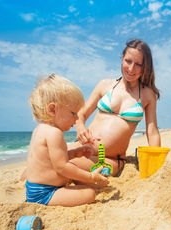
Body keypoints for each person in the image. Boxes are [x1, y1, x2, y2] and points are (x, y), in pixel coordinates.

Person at [70, 39, 161, 175]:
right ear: (122, 59)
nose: (131, 69)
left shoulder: (148, 95)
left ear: (145, 67)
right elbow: (80, 115)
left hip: (109, 159)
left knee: (64, 165)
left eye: (138, 64)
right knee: (35, 168)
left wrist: (156, 162)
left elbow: (152, 130)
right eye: (128, 61)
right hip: (82, 148)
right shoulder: (104, 85)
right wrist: (81, 128)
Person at [25, 73, 109, 207]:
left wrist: (75, 153)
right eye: (73, 113)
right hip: (44, 194)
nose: (77, 119)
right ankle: (93, 179)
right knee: (89, 194)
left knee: (75, 170)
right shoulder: (54, 133)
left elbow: (52, 160)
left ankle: (90, 180)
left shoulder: (41, 129)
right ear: (52, 109)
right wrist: (91, 177)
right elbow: (62, 167)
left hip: (36, 189)